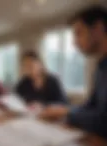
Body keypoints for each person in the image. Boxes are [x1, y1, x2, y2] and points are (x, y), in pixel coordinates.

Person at [40, 6, 107, 138]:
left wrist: (67, 113)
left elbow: (104, 122)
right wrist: (65, 110)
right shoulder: (100, 67)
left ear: (98, 29)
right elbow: (91, 106)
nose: (74, 43)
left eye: (78, 33)